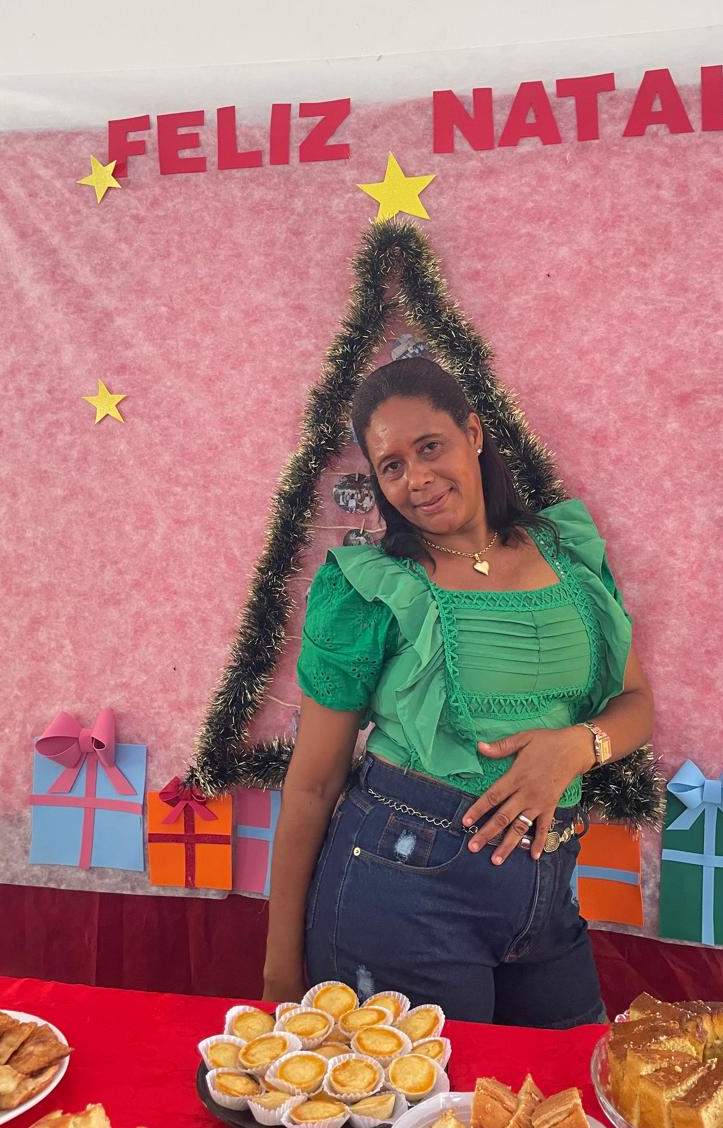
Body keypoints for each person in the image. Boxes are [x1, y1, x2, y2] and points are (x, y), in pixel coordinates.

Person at [262, 358, 653, 1027]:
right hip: (401, 888)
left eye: (429, 447)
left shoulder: (567, 554)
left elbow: (636, 703)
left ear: (472, 433)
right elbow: (314, 783)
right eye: (391, 466)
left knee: (563, 1079)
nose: (416, 479)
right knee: (429, 1088)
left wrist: (575, 748)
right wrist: (277, 967)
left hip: (548, 889)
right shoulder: (371, 587)